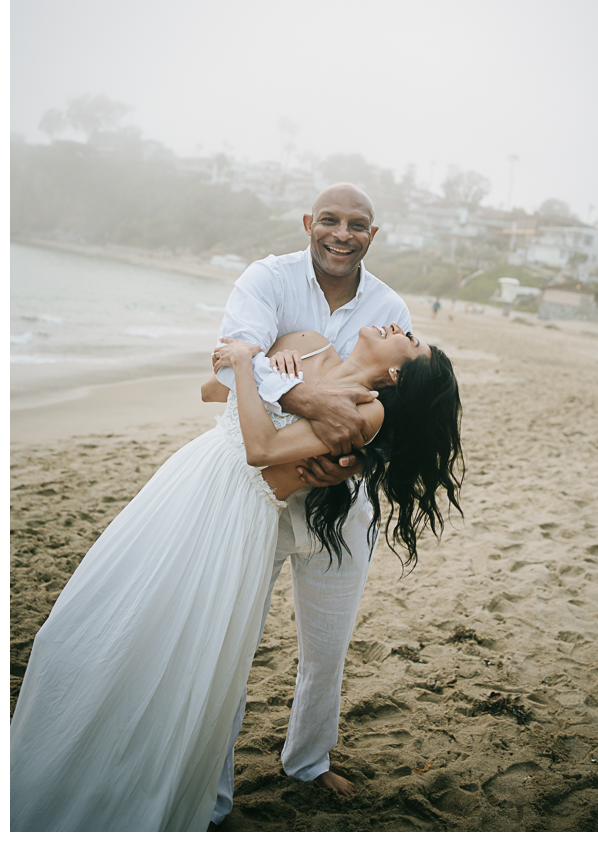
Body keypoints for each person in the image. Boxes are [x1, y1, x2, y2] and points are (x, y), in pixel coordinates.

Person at [10, 320, 463, 832]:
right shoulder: (304, 344)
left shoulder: (369, 410)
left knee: (184, 651)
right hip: (188, 481)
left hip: (238, 515)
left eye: (414, 339)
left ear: (398, 372)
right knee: (82, 630)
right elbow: (211, 390)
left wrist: (251, 367)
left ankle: (151, 780)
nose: (401, 325)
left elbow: (261, 450)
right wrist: (278, 377)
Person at [205, 182, 419, 822]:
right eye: (330, 220)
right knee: (229, 643)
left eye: (357, 224)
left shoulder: (389, 305)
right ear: (308, 222)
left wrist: (355, 454)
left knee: (327, 645)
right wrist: (310, 401)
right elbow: (227, 362)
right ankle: (212, 791)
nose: (342, 234)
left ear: (373, 235)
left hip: (343, 498)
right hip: (259, 495)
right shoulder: (267, 278)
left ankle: (309, 761)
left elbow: (397, 402)